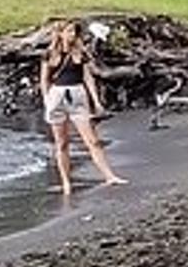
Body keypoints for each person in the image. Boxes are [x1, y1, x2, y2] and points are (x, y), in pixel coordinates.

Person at [39, 20, 127, 196]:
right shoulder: (49, 54)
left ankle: (109, 176)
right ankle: (66, 182)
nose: (72, 35)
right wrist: (47, 101)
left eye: (74, 31)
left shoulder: (80, 52)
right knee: (62, 143)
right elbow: (44, 80)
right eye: (69, 31)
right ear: (60, 33)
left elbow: (88, 77)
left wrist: (96, 100)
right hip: (57, 96)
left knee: (92, 140)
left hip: (77, 95)